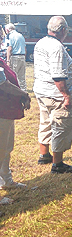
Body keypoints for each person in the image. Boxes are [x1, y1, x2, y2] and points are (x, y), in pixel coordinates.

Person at [33, 16, 72, 173]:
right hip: (55, 94)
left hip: (42, 90)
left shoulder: (41, 42)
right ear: (63, 30)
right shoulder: (56, 47)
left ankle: (44, 154)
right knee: (61, 125)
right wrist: (66, 95)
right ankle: (57, 163)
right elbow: (58, 74)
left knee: (45, 122)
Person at [0, 57, 30, 194]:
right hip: (1, 111)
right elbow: (3, 84)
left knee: (6, 148)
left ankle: (6, 180)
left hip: (6, 111)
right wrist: (24, 94)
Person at [5, 24, 26, 91]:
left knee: (13, 76)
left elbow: (9, 48)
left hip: (15, 57)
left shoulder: (9, 36)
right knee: (21, 77)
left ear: (7, 30)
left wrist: (8, 60)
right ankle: (23, 91)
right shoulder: (21, 35)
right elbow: (25, 48)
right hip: (22, 56)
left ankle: (15, 91)